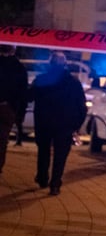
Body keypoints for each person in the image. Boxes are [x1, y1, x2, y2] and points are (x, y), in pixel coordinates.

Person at [28, 52, 87, 195]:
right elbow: (81, 106)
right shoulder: (73, 83)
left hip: (44, 121)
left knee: (43, 151)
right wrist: (76, 125)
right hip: (65, 124)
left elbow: (29, 97)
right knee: (60, 154)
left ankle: (42, 177)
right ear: (65, 64)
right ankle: (55, 183)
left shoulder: (41, 80)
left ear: (50, 64)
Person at [0, 44, 28, 173]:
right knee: (2, 139)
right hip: (8, 108)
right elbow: (23, 93)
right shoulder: (19, 68)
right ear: (13, 50)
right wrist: (20, 112)